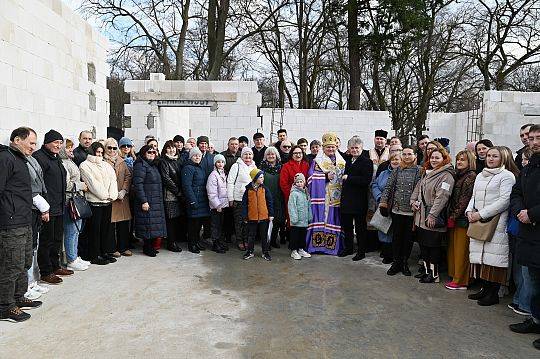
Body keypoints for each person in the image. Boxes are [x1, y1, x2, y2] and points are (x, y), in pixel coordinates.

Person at [0, 127, 41, 323]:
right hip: (11, 223)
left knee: (24, 262)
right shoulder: (5, 159)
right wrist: (8, 216)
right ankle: (5, 307)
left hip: (24, 221)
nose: (34, 147)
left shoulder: (21, 160)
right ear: (17, 139)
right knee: (11, 265)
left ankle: (17, 298)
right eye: (31, 143)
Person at [466, 146, 515, 305]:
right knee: (482, 257)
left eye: (495, 156)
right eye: (489, 156)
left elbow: (504, 201)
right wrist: (469, 211)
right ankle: (484, 289)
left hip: (496, 222)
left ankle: (492, 294)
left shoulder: (507, 176)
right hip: (478, 220)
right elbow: (473, 196)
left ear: (502, 159)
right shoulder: (481, 175)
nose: (491, 159)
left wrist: (480, 214)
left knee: (494, 260)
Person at [509, 124, 540, 349]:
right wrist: (521, 211)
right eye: (532, 138)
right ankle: (536, 319)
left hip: (535, 224)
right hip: (528, 231)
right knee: (534, 280)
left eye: (539, 138)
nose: (535, 142)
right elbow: (517, 191)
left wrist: (532, 213)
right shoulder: (529, 166)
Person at [411, 148, 455, 283]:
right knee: (424, 247)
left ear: (444, 159)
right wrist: (412, 202)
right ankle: (426, 271)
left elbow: (442, 197)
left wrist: (432, 215)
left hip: (432, 218)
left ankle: (434, 275)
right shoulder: (428, 172)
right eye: (432, 158)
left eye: (437, 158)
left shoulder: (446, 176)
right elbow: (418, 189)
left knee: (433, 248)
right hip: (421, 217)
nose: (434, 160)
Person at [33, 130, 70, 284]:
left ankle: (55, 266)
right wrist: (44, 208)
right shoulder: (39, 157)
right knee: (46, 241)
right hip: (47, 207)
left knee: (56, 239)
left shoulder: (56, 158)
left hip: (59, 206)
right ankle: (45, 272)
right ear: (47, 142)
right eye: (56, 142)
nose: (58, 146)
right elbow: (38, 185)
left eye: (60, 143)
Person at [379, 146, 421, 275]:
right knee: (396, 237)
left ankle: (404, 263)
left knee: (407, 239)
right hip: (397, 211)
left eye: (409, 154)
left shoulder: (419, 170)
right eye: (405, 154)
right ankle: (396, 263)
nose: (407, 156)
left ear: (414, 155)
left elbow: (420, 190)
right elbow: (388, 187)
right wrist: (383, 203)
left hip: (411, 212)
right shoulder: (397, 170)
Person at [306, 133, 346, 255]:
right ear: (323, 148)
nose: (331, 149)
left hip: (336, 197)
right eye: (328, 147)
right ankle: (317, 246)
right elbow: (310, 178)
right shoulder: (317, 161)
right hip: (322, 196)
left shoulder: (342, 162)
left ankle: (332, 247)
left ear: (336, 147)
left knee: (334, 219)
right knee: (320, 218)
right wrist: (325, 176)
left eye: (333, 147)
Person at [80, 142, 119, 265]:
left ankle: (104, 252)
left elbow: (113, 180)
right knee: (94, 230)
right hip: (95, 202)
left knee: (105, 229)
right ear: (92, 152)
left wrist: (112, 195)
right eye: (97, 152)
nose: (100, 154)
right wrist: (104, 195)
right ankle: (94, 255)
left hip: (107, 202)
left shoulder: (106, 165)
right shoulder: (85, 165)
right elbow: (92, 183)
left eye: (101, 152)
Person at [445, 150, 477, 290]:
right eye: (458, 159)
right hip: (454, 217)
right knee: (453, 249)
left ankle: (461, 280)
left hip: (462, 219)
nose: (459, 162)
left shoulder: (470, 176)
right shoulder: (459, 175)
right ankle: (454, 275)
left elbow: (465, 199)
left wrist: (453, 216)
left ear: (469, 161)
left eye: (463, 159)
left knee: (461, 251)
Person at [339, 136, 373, 260]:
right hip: (346, 200)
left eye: (356, 148)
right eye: (352, 148)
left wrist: (349, 178)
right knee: (347, 226)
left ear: (361, 148)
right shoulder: (347, 160)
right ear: (348, 148)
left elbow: (366, 180)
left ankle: (361, 251)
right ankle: (348, 248)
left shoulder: (366, 161)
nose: (354, 150)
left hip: (359, 200)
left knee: (360, 228)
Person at [59, 140, 89, 271]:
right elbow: (65, 185)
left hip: (76, 199)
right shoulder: (63, 163)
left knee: (76, 230)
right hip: (69, 201)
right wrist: (80, 185)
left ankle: (75, 256)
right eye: (68, 148)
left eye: (71, 147)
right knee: (71, 231)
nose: (71, 150)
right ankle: (71, 259)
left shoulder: (69, 161)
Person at [132, 145, 167, 257]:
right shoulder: (140, 165)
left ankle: (151, 246)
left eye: (153, 152)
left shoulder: (153, 165)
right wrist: (143, 201)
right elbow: (138, 185)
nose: (152, 154)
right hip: (147, 200)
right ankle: (147, 247)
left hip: (155, 200)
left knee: (153, 225)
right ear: (143, 154)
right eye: (149, 152)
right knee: (147, 224)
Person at [104, 138, 133, 257]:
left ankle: (123, 247)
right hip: (110, 198)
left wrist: (124, 190)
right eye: (109, 147)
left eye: (114, 148)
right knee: (110, 225)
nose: (112, 150)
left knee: (123, 224)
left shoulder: (122, 161)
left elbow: (128, 176)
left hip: (122, 197)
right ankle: (111, 248)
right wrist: (113, 193)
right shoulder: (103, 161)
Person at [372, 152, 401, 264]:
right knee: (384, 230)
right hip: (383, 205)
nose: (395, 161)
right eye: (392, 159)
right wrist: (380, 197)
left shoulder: (403, 173)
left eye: (397, 159)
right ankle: (387, 253)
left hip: (397, 207)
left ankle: (396, 256)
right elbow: (374, 185)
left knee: (395, 231)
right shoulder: (383, 173)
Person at [227, 147, 257, 251]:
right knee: (239, 221)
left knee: (248, 222)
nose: (248, 157)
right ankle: (240, 240)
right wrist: (231, 198)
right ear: (242, 155)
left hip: (251, 199)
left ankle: (246, 240)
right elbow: (230, 182)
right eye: (245, 154)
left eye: (250, 154)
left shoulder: (254, 166)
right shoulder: (236, 166)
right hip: (239, 199)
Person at [182, 147, 211, 254]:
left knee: (198, 224)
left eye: (199, 155)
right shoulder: (188, 168)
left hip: (202, 201)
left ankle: (197, 242)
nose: (197, 157)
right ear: (191, 157)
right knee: (193, 225)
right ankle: (191, 244)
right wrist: (192, 201)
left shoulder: (199, 168)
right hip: (194, 200)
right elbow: (187, 186)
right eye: (195, 155)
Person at [241, 168, 274, 261]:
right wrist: (245, 216)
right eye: (260, 177)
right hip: (252, 217)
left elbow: (270, 202)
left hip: (264, 217)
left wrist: (271, 214)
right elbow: (244, 204)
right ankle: (250, 251)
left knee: (264, 236)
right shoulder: (248, 190)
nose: (262, 179)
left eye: (263, 177)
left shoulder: (265, 189)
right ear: (254, 178)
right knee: (251, 235)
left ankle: (265, 252)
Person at [158, 141, 184, 253]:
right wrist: (177, 191)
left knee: (177, 219)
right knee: (171, 219)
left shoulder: (178, 160)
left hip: (179, 194)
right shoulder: (164, 161)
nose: (172, 150)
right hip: (170, 195)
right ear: (165, 150)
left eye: (173, 148)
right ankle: (171, 243)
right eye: (169, 148)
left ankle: (174, 240)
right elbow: (166, 178)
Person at [259, 147, 285, 248]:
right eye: (268, 154)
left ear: (276, 156)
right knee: (265, 221)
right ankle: (266, 242)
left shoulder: (281, 167)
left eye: (273, 154)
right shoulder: (261, 167)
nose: (271, 156)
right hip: (265, 198)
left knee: (277, 220)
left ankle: (273, 240)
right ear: (266, 156)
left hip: (278, 197)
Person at [206, 154, 229, 254]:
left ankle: (220, 241)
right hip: (217, 206)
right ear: (215, 163)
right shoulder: (213, 175)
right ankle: (215, 244)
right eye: (218, 162)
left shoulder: (223, 174)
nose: (220, 164)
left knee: (221, 225)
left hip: (223, 205)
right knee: (215, 225)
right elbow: (211, 192)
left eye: (222, 162)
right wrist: (217, 205)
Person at [288, 173, 312, 260]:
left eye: (301, 181)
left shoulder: (306, 192)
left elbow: (309, 205)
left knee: (302, 236)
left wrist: (309, 216)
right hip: (296, 221)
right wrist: (294, 218)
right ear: (295, 183)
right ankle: (294, 251)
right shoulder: (294, 193)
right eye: (297, 182)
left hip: (304, 220)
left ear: (304, 182)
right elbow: (292, 206)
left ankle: (301, 249)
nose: (299, 183)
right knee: (295, 236)